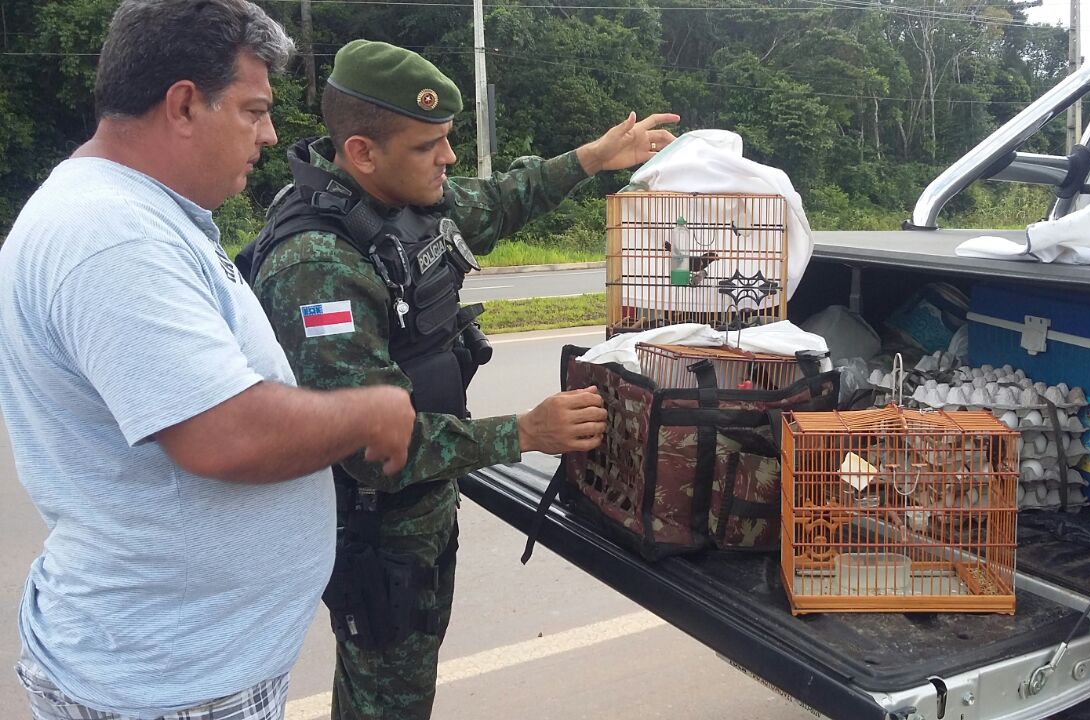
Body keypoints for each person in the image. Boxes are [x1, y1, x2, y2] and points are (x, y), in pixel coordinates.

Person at [0, 4, 417, 719]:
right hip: (167, 686)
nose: (270, 134)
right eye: (254, 110)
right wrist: (370, 409)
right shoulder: (112, 236)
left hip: (179, 667)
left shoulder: (143, 215)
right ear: (185, 104)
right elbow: (225, 434)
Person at [241, 39, 677, 720]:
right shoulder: (319, 268)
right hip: (378, 530)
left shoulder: (399, 203)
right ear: (362, 152)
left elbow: (502, 200)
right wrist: (525, 432)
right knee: (387, 704)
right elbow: (372, 452)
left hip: (422, 515)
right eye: (428, 146)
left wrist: (593, 158)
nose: (446, 158)